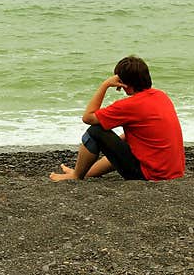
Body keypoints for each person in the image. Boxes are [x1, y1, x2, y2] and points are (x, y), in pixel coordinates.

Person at [49, 56, 185, 182]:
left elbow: (88, 117)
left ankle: (76, 176)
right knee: (118, 142)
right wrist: (110, 145)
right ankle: (84, 173)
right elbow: (138, 137)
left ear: (123, 83)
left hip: (151, 175)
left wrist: (105, 85)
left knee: (95, 131)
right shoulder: (161, 96)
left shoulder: (130, 105)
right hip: (173, 172)